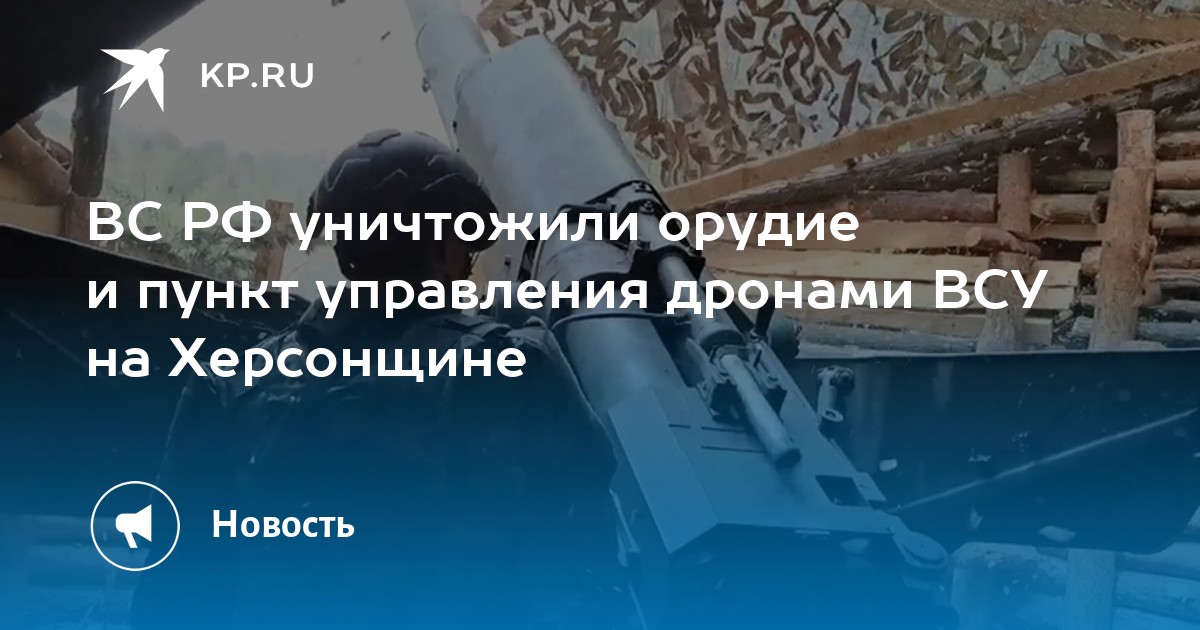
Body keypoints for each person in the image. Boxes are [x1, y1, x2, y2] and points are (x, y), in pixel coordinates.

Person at [131, 130, 624, 629]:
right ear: (443, 249)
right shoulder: (517, 368)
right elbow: (588, 568)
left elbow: (169, 586)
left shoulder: (229, 382)